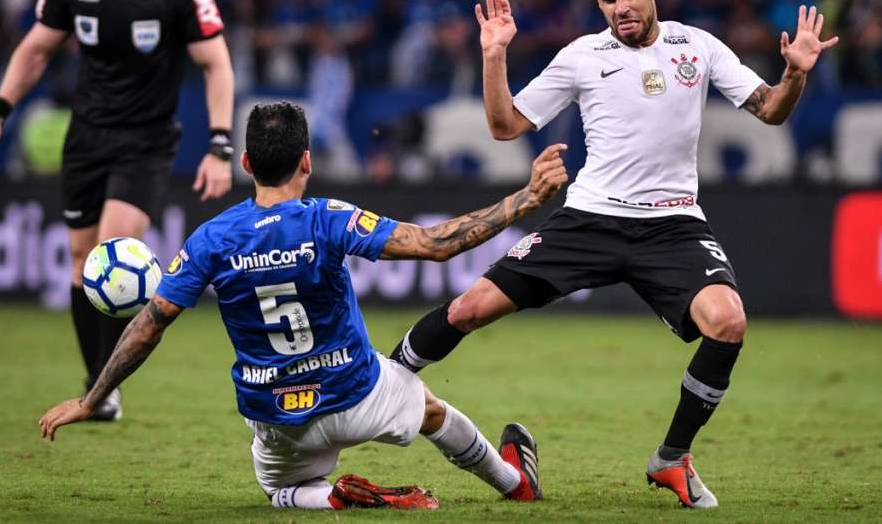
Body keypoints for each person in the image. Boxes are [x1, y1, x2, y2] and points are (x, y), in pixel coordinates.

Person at [390, 0, 839, 509]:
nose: (620, 6)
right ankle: (384, 379)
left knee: (727, 321)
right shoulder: (582, 55)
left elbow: (771, 109)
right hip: (590, 218)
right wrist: (495, 53)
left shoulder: (697, 46)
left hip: (673, 225)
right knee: (467, 309)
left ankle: (672, 458)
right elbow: (505, 125)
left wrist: (795, 74)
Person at [39, 101, 568, 510]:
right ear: (307, 162)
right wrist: (525, 198)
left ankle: (329, 496)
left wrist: (92, 399)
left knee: (280, 492)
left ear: (246, 163)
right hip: (356, 395)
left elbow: (148, 327)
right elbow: (435, 244)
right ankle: (513, 483)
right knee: (427, 407)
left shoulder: (210, 239)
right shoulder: (327, 219)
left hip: (275, 416)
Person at [0, 0, 235, 421]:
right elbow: (35, 51)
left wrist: (220, 145)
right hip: (86, 138)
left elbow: (217, 65)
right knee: (79, 261)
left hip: (146, 140)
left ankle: (102, 390)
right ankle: (99, 387)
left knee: (114, 249)